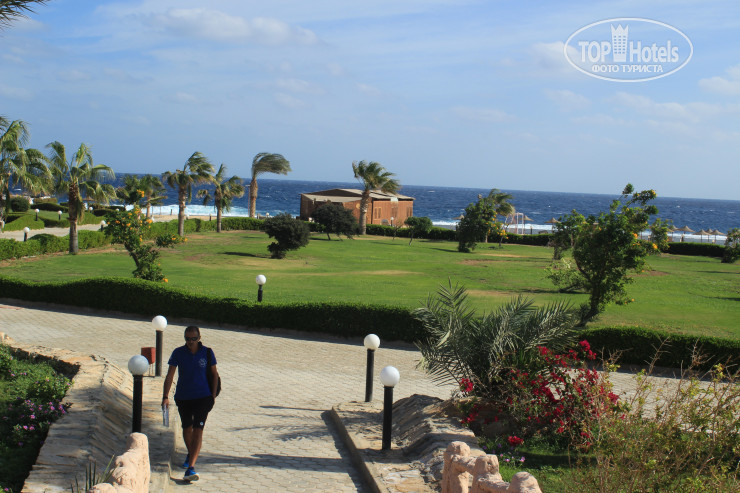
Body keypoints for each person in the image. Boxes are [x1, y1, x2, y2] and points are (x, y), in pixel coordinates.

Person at [162, 326, 219, 482]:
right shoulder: (178, 352)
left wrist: (212, 396)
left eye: (193, 339)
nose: (190, 342)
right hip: (183, 397)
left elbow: (214, 374)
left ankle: (191, 468)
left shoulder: (207, 352)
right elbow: (170, 375)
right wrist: (165, 396)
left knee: (198, 430)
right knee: (187, 429)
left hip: (203, 397)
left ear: (199, 338)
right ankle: (191, 452)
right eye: (187, 339)